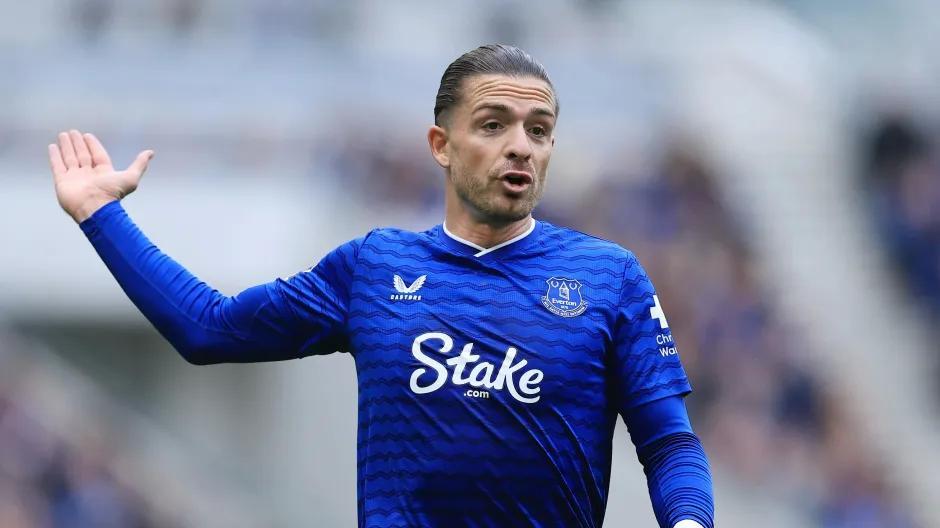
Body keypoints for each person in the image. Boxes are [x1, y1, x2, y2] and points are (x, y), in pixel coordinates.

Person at [48, 44, 714, 528]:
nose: (521, 146)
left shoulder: (608, 277)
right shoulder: (374, 268)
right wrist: (101, 214)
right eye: (493, 125)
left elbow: (669, 443)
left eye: (538, 131)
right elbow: (208, 329)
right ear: (441, 144)